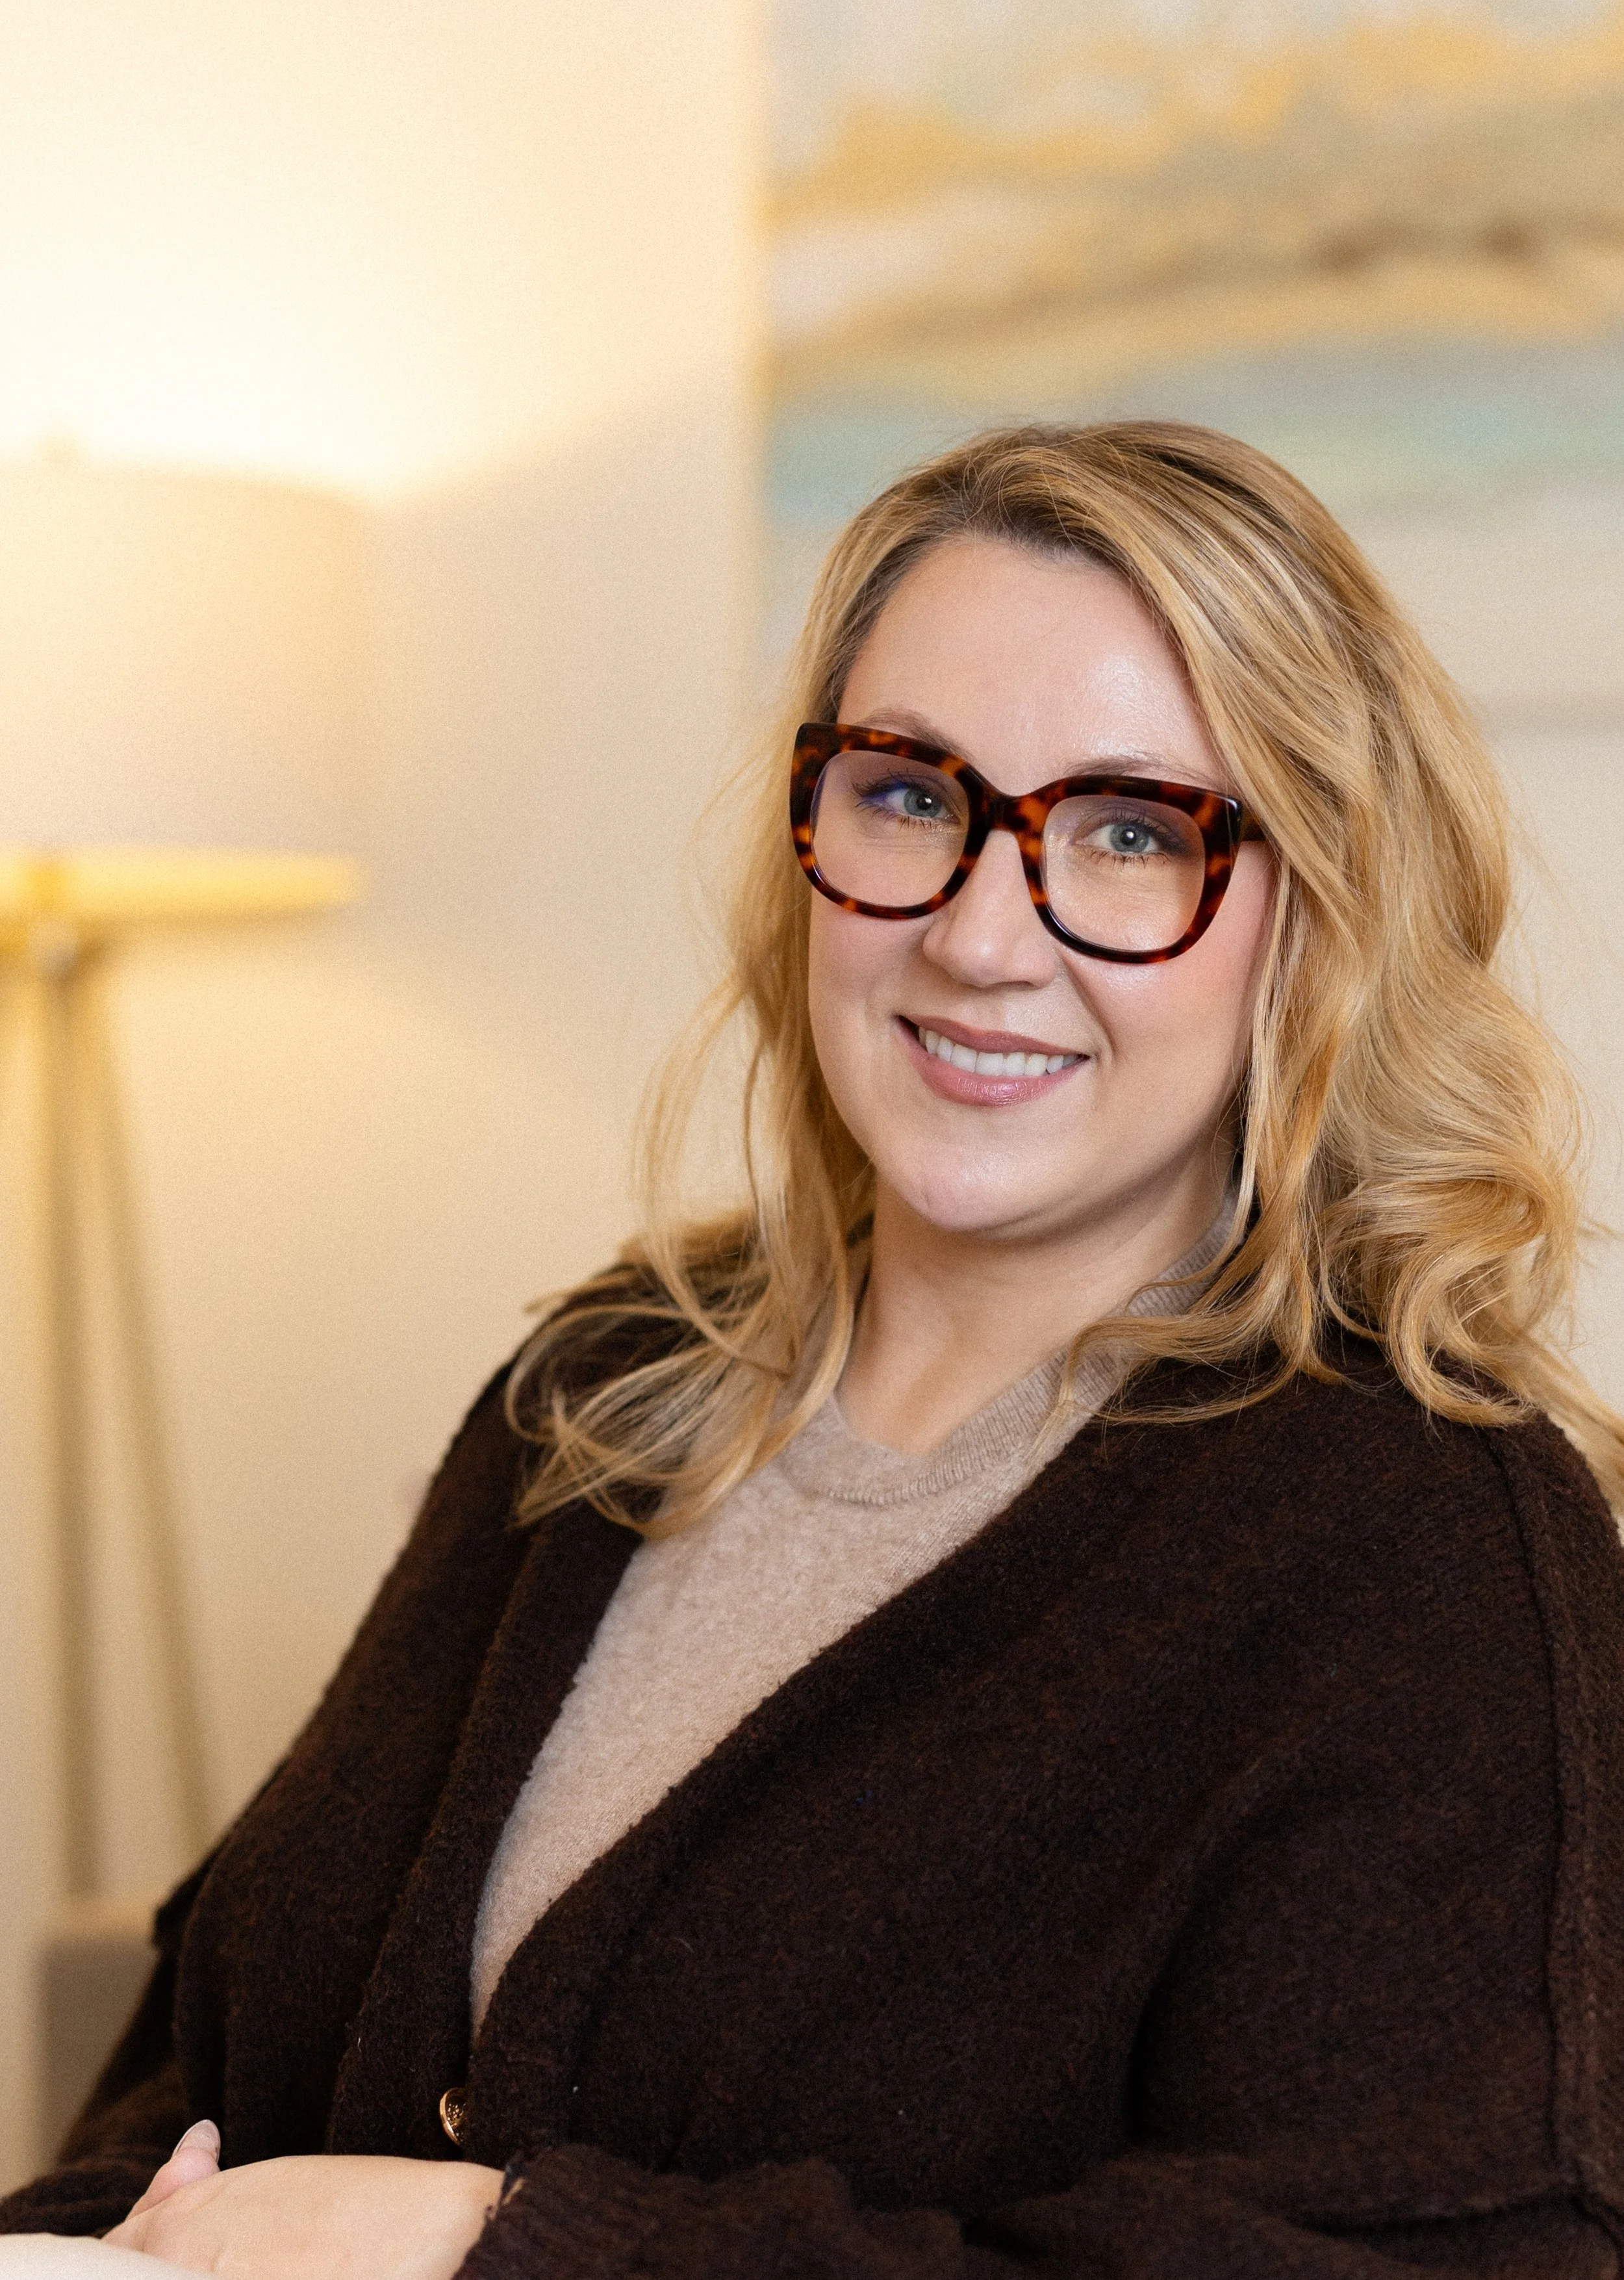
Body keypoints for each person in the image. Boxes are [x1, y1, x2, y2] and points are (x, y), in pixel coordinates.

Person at [3, 420, 1623, 2279]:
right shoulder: (609, 1390)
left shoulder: (1431, 1550)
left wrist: (507, 2245)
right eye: (910, 796)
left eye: (1130, 832)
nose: (980, 936)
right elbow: (197, 2073)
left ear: (1317, 916)